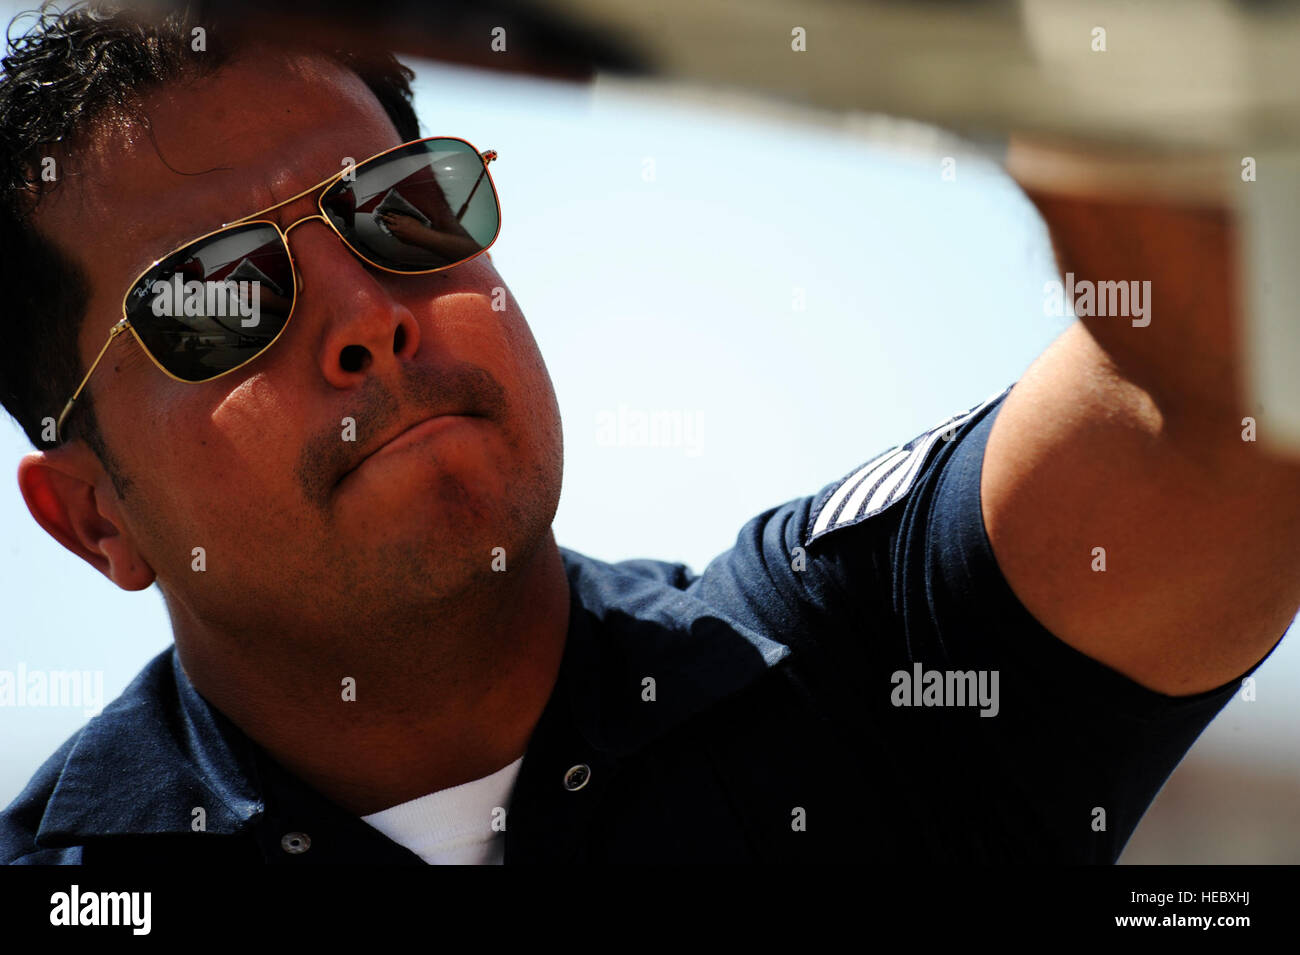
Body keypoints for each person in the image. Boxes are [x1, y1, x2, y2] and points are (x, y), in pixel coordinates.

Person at [0, 3, 1293, 864]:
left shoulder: (859, 677)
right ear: (90, 515)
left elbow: (1234, 420)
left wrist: (1020, 49)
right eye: (219, 298)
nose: (364, 316)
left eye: (402, 208)